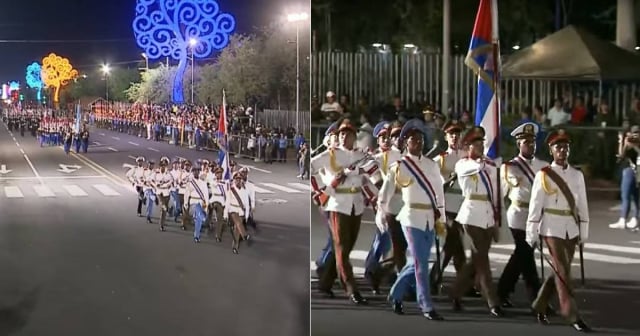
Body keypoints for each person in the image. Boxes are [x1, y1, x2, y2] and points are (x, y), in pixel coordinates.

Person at [379, 118, 446, 320]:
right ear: (405, 142)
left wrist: (441, 218)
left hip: (429, 218)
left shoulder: (431, 165)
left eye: (420, 139)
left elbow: (439, 193)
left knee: (417, 262)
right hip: (411, 217)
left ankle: (395, 294)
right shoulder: (398, 166)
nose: (418, 142)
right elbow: (385, 194)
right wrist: (380, 214)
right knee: (421, 264)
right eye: (413, 139)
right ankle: (426, 305)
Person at [526, 128, 591, 332]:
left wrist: (583, 229)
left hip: (570, 228)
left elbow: (582, 205)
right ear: (551, 150)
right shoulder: (544, 175)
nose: (562, 150)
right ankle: (571, 314)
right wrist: (532, 231)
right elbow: (535, 205)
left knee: (558, 272)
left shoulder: (576, 175)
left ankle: (539, 305)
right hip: (551, 228)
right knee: (563, 271)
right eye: (558, 147)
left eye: (565, 147)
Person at [310, 118, 378, 304]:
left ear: (354, 137)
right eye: (341, 133)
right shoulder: (330, 154)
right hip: (337, 203)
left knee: (346, 249)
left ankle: (325, 282)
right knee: (340, 247)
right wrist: (320, 189)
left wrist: (357, 173)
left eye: (347, 133)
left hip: (356, 204)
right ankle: (351, 290)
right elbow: (308, 168)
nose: (343, 136)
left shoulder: (360, 154)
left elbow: (373, 170)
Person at [450, 126, 504, 317]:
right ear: (467, 146)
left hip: (488, 215)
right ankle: (492, 301)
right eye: (476, 143)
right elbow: (474, 168)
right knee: (482, 260)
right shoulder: (463, 164)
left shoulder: (489, 165)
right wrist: (491, 163)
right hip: (471, 215)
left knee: (475, 260)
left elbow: (497, 194)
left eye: (482, 142)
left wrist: (498, 221)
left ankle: (455, 292)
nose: (481, 146)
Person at [497, 122, 547, 308]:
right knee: (524, 254)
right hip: (518, 215)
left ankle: (503, 291)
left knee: (522, 256)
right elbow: (501, 194)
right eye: (526, 142)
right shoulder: (509, 167)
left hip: (536, 217)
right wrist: (497, 217)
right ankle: (535, 297)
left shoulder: (543, 166)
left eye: (533, 142)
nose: (530, 145)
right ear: (519, 144)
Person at [365, 120, 405, 294]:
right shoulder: (375, 158)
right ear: (378, 140)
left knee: (395, 242)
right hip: (384, 202)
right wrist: (376, 199)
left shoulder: (400, 154)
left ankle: (387, 273)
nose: (387, 140)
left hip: (402, 201)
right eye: (382, 137)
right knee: (383, 239)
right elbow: (372, 180)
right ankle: (371, 270)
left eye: (389, 137)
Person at [430, 120, 468, 294]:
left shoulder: (467, 156)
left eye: (457, 134)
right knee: (452, 243)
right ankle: (436, 277)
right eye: (451, 134)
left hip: (464, 206)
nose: (455, 137)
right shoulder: (440, 160)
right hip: (447, 207)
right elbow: (434, 185)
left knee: (456, 246)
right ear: (446, 137)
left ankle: (462, 282)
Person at [609, 125, 640, 230]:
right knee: (630, 196)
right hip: (631, 170)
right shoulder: (629, 142)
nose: (635, 136)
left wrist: (634, 145)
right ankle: (628, 219)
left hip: (633, 171)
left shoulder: (636, 144)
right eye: (634, 133)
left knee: (631, 196)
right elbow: (621, 156)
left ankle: (632, 218)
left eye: (637, 133)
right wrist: (622, 141)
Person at [224, 171, 252, 254]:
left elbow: (247, 205)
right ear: (234, 180)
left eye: (239, 179)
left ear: (242, 180)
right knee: (238, 223)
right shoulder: (231, 190)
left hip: (241, 211)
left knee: (237, 229)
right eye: (236, 179)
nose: (238, 181)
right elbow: (227, 203)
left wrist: (246, 216)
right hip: (232, 210)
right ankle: (244, 235)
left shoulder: (245, 191)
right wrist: (225, 214)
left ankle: (235, 246)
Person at [186, 168, 209, 243]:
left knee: (198, 220)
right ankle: (203, 217)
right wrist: (186, 203)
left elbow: (206, 195)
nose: (196, 172)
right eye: (194, 171)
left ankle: (196, 236)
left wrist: (206, 205)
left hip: (201, 202)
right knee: (199, 215)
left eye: (197, 171)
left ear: (199, 172)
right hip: (193, 202)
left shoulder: (203, 183)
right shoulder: (190, 183)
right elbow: (186, 194)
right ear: (192, 172)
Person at [154, 157, 174, 232]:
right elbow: (151, 180)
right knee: (163, 205)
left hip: (166, 192)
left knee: (163, 210)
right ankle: (169, 210)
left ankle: (162, 224)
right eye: (162, 165)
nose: (163, 166)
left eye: (165, 165)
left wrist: (167, 184)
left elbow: (171, 181)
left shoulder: (168, 174)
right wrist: (156, 184)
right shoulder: (156, 173)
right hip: (159, 192)